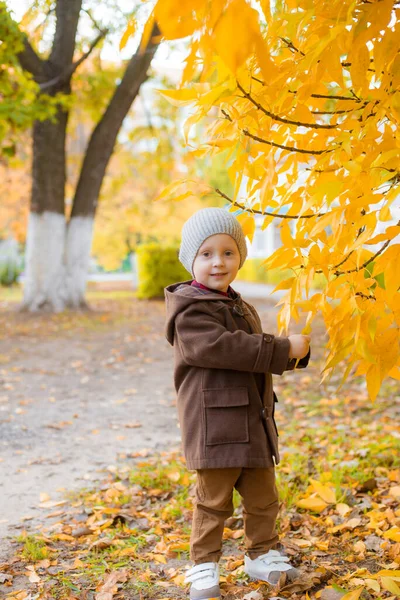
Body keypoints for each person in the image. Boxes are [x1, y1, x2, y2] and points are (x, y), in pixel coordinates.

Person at [164, 207, 310, 600]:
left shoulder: (240, 305)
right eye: (207, 254)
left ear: (240, 257)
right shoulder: (189, 312)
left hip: (253, 418)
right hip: (215, 426)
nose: (218, 262)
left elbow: (250, 359)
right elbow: (223, 349)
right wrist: (282, 349)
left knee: (264, 496)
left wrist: (292, 354)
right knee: (212, 501)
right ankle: (203, 563)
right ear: (190, 260)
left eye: (228, 252)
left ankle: (262, 553)